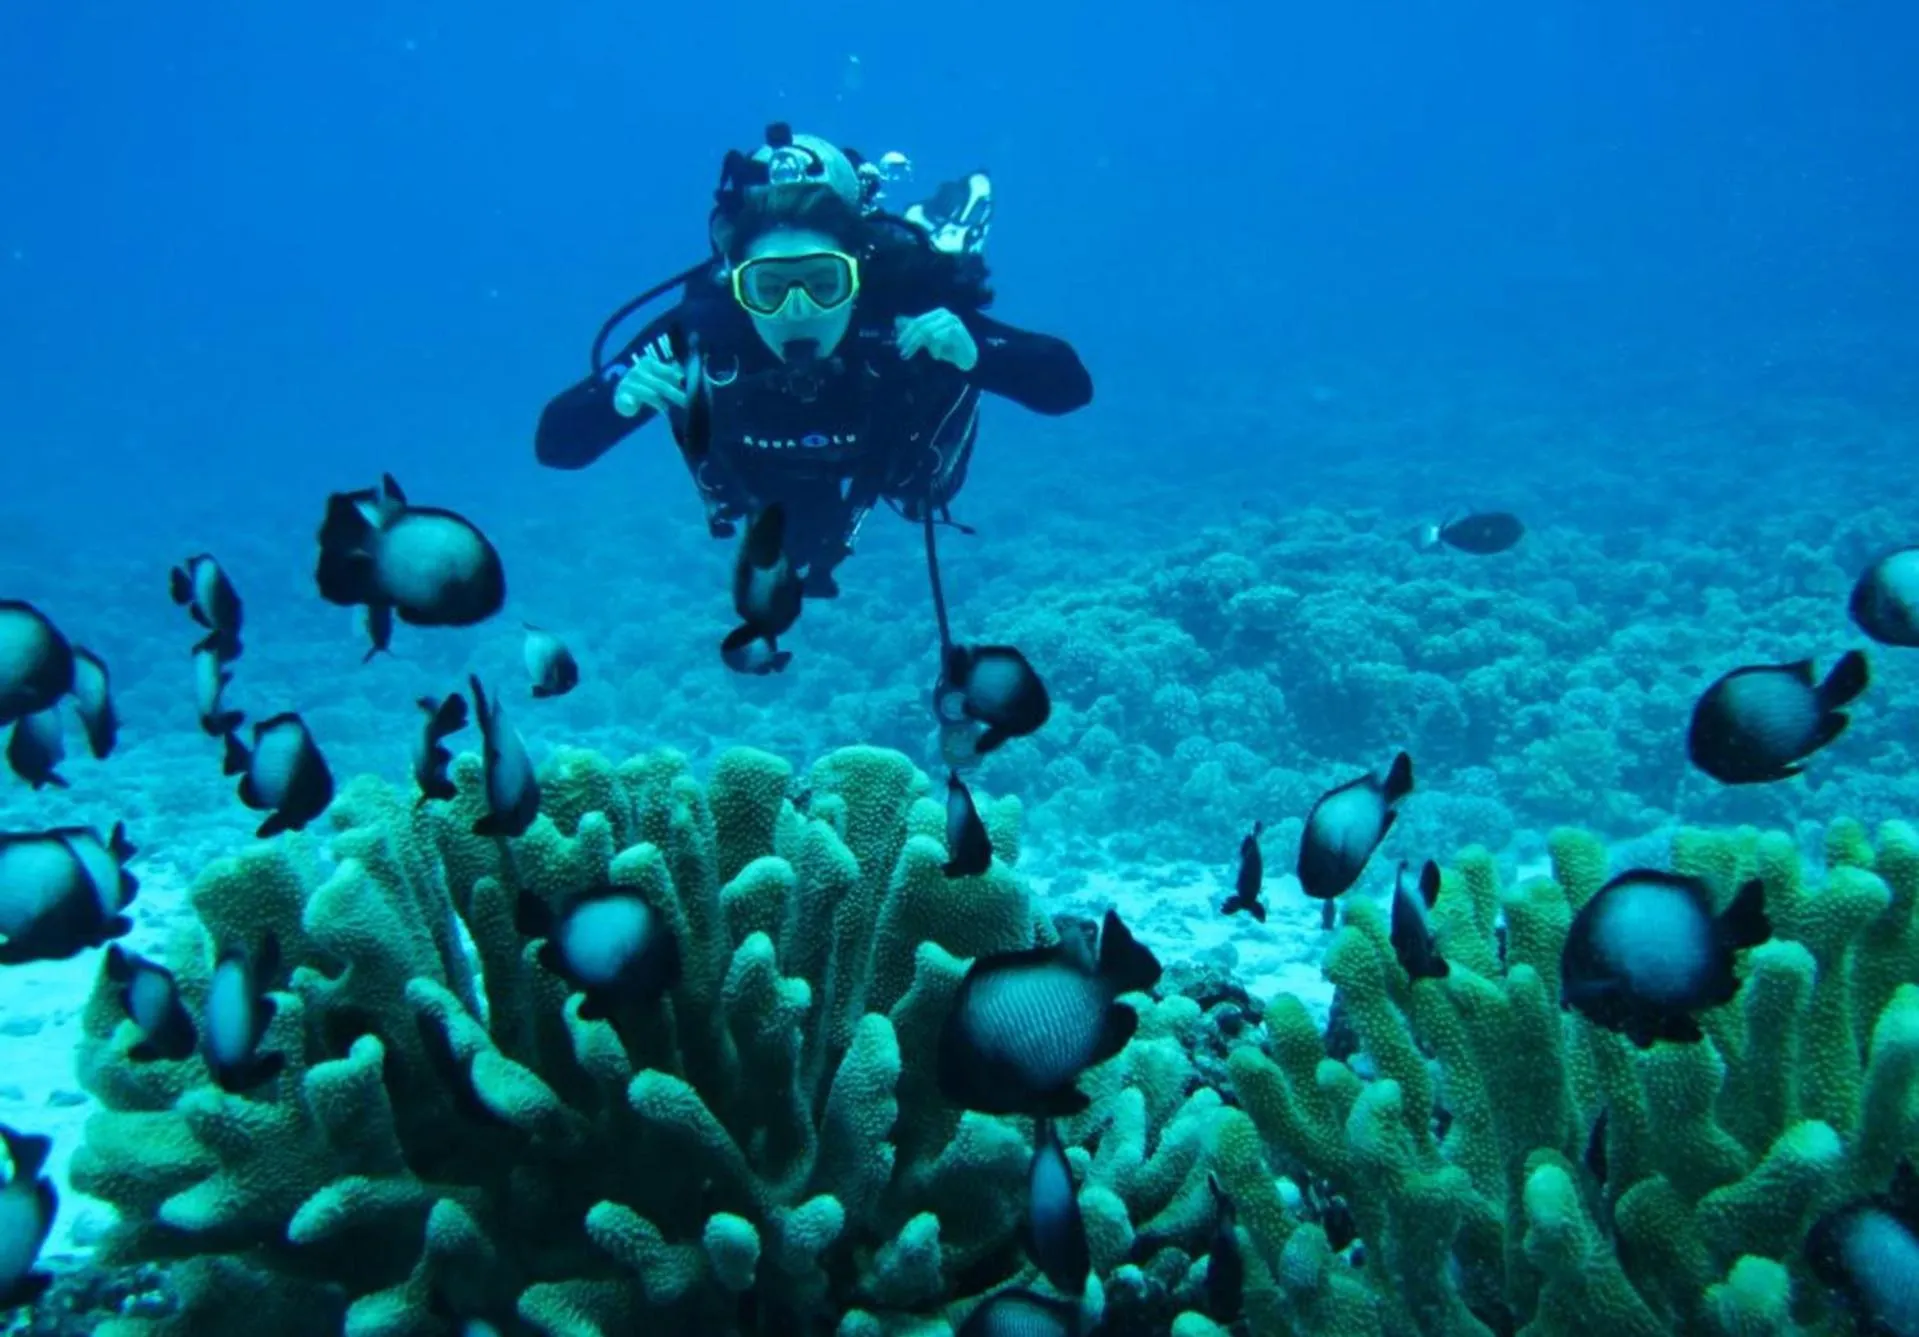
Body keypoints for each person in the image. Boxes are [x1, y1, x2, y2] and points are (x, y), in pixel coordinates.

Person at [534, 124, 1093, 598]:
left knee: (925, 492)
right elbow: (556, 445)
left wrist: (976, 355)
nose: (796, 310)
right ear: (735, 283)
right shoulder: (702, 332)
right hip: (760, 474)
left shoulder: (898, 309)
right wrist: (618, 396)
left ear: (856, 278)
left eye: (823, 282)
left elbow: (1068, 387)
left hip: (889, 460)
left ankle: (944, 235)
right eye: (768, 286)